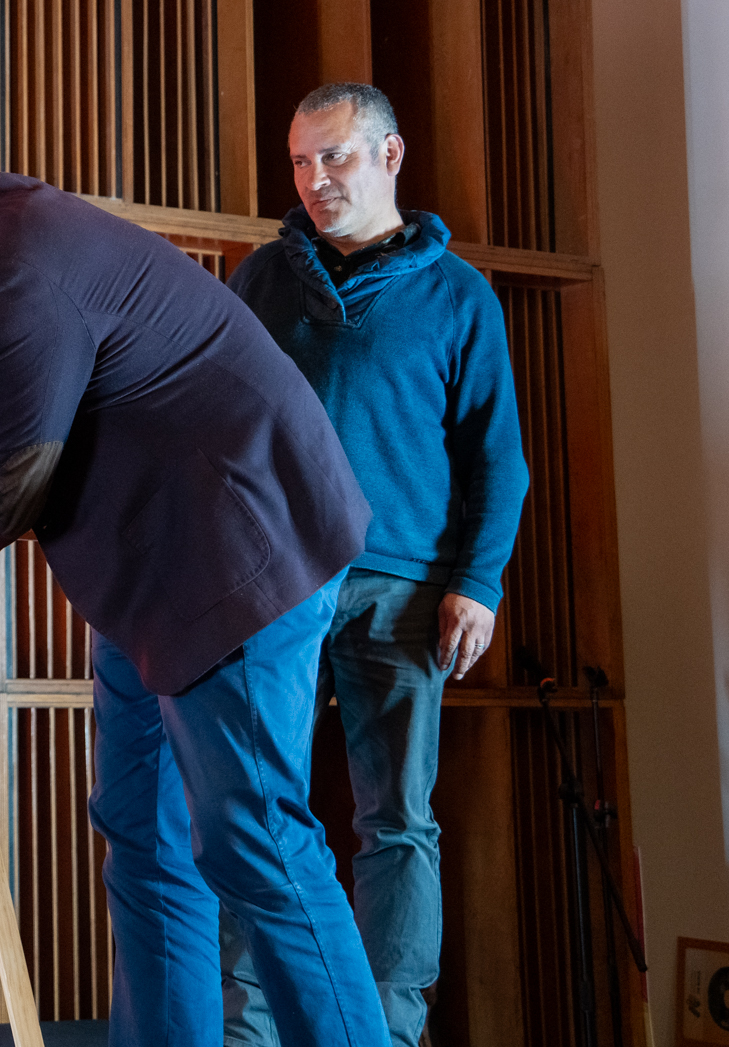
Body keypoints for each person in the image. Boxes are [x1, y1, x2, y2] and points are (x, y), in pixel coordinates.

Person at [0, 115, 387, 1047]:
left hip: (234, 560)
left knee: (259, 840)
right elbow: (22, 411)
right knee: (143, 834)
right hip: (156, 575)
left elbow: (11, 471)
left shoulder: (0, 266)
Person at [220, 82, 529, 1047]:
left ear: (390, 157)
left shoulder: (459, 294)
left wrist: (477, 585)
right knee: (257, 810)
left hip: (405, 589)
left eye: (335, 156)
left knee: (397, 819)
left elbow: (498, 457)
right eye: (300, 161)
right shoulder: (259, 280)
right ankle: (248, 1030)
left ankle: (389, 1032)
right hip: (277, 580)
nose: (315, 178)